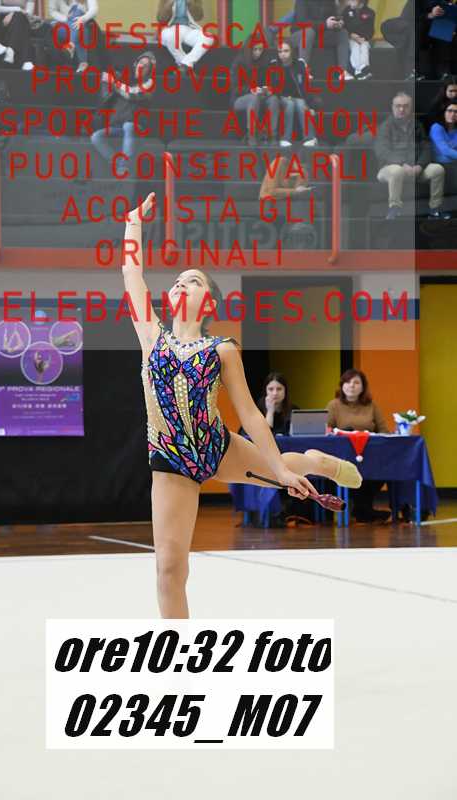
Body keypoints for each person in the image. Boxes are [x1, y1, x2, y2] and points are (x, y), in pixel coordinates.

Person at [123, 192, 363, 618]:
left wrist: (281, 472)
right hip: (170, 460)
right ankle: (178, 651)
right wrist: (133, 222)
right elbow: (131, 272)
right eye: (178, 279)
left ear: (209, 302)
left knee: (283, 469)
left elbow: (250, 414)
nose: (181, 283)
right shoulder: (151, 337)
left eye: (193, 280)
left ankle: (317, 462)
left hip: (218, 448)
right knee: (169, 570)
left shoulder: (221, 349)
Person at [326, 369, 390, 523]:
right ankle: (362, 511)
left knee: (384, 470)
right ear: (342, 385)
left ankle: (363, 509)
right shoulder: (333, 405)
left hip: (369, 455)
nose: (351, 386)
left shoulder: (372, 406)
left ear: (363, 387)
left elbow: (384, 431)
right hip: (341, 456)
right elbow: (326, 431)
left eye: (356, 382)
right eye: (348, 382)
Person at [375, 91, 450, 220]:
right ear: (392, 107)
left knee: (437, 169)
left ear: (410, 108)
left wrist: (419, 166)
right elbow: (382, 151)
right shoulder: (385, 127)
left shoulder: (417, 125)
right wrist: (403, 164)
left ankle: (435, 209)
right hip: (389, 169)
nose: (401, 109)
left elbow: (426, 148)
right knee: (397, 171)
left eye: (405, 106)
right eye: (398, 106)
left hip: (415, 168)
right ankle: (394, 210)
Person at [91, 52, 156, 174]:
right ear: (135, 64)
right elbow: (106, 96)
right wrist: (107, 82)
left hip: (137, 127)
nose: (142, 66)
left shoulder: (149, 83)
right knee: (96, 136)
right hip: (118, 127)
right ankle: (117, 162)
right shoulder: (124, 80)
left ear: (149, 70)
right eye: (141, 63)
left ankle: (124, 165)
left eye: (146, 65)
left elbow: (131, 94)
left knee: (128, 125)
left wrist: (114, 83)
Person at [230, 37, 280, 146]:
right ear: (249, 49)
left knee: (274, 99)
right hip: (240, 98)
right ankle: (251, 134)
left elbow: (271, 82)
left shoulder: (264, 62)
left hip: (260, 95)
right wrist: (251, 90)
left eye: (260, 49)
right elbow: (235, 88)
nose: (258, 52)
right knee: (254, 98)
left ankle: (272, 135)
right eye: (255, 49)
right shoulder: (239, 63)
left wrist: (268, 89)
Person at [268, 39, 318, 146]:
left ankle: (310, 137)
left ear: (291, 51)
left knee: (301, 104)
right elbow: (272, 87)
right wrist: (284, 97)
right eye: (280, 51)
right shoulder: (273, 65)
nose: (283, 54)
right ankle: (286, 138)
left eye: (286, 51)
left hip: (297, 97)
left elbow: (304, 87)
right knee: (289, 104)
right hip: (280, 97)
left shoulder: (299, 64)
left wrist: (311, 106)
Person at [291, 0, 352, 79]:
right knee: (309, 31)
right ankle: (302, 71)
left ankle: (343, 71)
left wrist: (337, 23)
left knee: (342, 33)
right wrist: (325, 24)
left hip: (320, 34)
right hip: (300, 34)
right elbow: (302, 21)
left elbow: (333, 17)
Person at [48, 0, 99, 73]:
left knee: (78, 14)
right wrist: (66, 18)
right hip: (63, 24)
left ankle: (71, 45)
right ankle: (83, 62)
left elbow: (94, 9)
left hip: (82, 22)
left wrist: (82, 18)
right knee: (79, 24)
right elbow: (52, 11)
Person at [157, 0, 209, 69]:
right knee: (168, 35)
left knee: (208, 37)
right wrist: (169, 4)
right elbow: (160, 18)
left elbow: (199, 17)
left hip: (189, 29)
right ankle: (185, 66)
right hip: (171, 28)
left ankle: (186, 64)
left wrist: (191, 3)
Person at [0, 0, 35, 70]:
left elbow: (29, 12)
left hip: (22, 19)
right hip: (3, 20)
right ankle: (26, 60)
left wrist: (14, 13)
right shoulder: (17, 10)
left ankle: (11, 50)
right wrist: (17, 9)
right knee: (20, 20)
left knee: (19, 18)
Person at [341, 0, 375, 80]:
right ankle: (360, 68)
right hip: (350, 38)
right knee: (355, 47)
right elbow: (344, 26)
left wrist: (363, 38)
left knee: (364, 47)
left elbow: (370, 30)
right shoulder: (346, 11)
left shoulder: (370, 12)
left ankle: (362, 68)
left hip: (363, 39)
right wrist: (351, 35)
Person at [429, 101, 457, 169]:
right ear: (444, 113)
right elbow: (445, 150)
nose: (453, 114)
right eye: (449, 111)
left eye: (456, 112)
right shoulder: (436, 127)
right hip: (439, 163)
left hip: (454, 161)